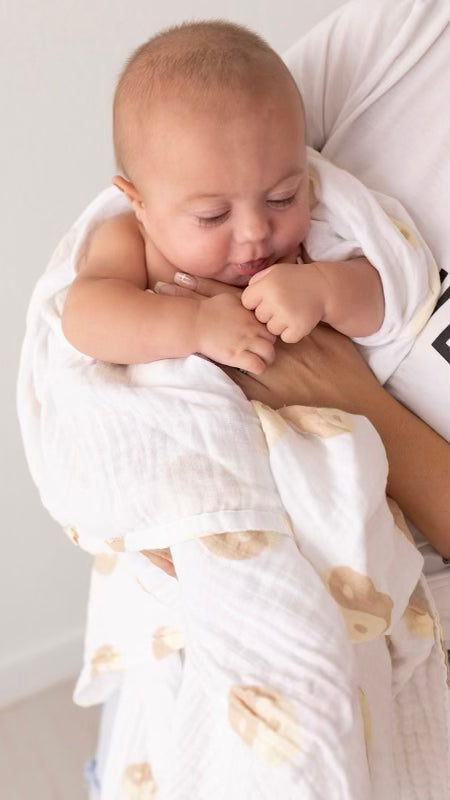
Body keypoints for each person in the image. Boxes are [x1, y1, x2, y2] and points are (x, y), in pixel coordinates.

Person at [63, 20, 400, 376]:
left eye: (282, 198)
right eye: (213, 215)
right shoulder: (132, 240)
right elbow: (84, 318)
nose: (255, 230)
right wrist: (195, 324)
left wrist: (324, 289)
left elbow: (389, 301)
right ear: (140, 204)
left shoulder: (316, 229)